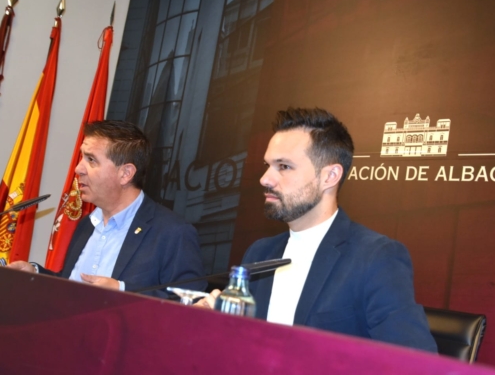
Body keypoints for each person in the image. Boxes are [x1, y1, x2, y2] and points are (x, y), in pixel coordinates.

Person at [200, 107, 437, 353]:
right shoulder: (260, 253)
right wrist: (210, 319)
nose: (265, 179)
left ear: (330, 176)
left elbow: (416, 362)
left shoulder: (376, 257)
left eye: (283, 166)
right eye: (267, 165)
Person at [8, 120, 206, 298]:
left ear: (125, 173)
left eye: (91, 159)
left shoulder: (173, 232)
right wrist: (34, 274)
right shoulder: (86, 224)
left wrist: (121, 291)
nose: (78, 169)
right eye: (82, 158)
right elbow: (71, 284)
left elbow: (192, 301)